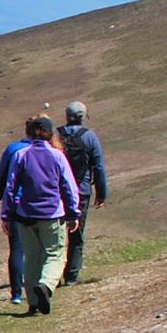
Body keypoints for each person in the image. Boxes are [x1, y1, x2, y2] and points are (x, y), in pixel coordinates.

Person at [0, 116, 82, 316]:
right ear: (50, 133)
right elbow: (69, 187)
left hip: (25, 215)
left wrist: (6, 216)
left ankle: (33, 303)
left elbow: (11, 188)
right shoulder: (57, 156)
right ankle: (46, 285)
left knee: (32, 258)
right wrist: (73, 212)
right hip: (52, 214)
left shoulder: (20, 155)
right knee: (55, 254)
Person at [57, 100, 109, 284]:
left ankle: (51, 274)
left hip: (57, 193)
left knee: (56, 233)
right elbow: (99, 167)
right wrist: (101, 193)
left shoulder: (56, 137)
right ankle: (71, 276)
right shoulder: (90, 137)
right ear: (83, 118)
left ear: (66, 116)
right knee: (77, 234)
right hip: (81, 191)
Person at [0, 132, 35, 304]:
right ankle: (41, 285)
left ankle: (16, 293)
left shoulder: (13, 149)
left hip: (17, 205)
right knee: (40, 248)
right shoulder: (49, 150)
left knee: (17, 249)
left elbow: (3, 176)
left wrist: (0, 196)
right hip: (41, 205)